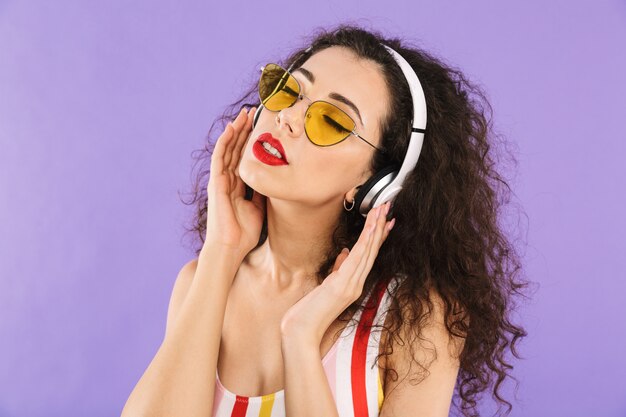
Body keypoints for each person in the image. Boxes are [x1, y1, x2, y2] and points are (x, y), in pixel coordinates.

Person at [121, 24, 530, 417]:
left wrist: (300, 337)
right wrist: (220, 250)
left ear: (375, 182)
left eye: (332, 121)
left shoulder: (417, 318)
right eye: (287, 91)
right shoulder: (201, 281)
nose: (286, 118)